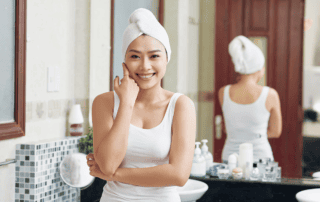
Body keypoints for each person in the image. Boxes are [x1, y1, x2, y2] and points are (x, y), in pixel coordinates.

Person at [86, 8, 196, 202]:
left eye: (154, 56)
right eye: (135, 56)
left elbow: (178, 175)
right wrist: (126, 103)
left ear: (166, 58)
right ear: (124, 60)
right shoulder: (104, 103)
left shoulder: (180, 106)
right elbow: (108, 164)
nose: (145, 66)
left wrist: (116, 176)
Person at [218, 35, 282, 163]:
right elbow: (275, 131)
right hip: (261, 159)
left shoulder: (223, 92)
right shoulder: (270, 94)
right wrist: (254, 136)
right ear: (259, 69)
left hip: (230, 159)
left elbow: (228, 127)